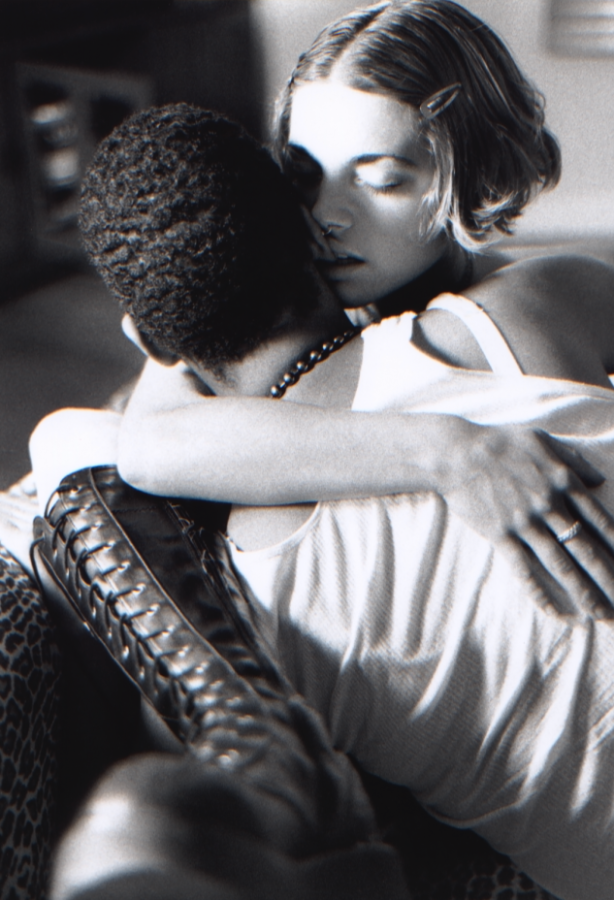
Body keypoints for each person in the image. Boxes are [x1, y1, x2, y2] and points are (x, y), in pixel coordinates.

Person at [33, 103, 614, 900]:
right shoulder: (530, 314)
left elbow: (81, 444)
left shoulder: (260, 604)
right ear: (315, 237)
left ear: (155, 347)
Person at [106, 0, 614, 610]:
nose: (328, 217)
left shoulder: (547, 293)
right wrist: (453, 451)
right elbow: (146, 445)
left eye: (381, 180)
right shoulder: (275, 307)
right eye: (304, 177)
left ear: (473, 172)